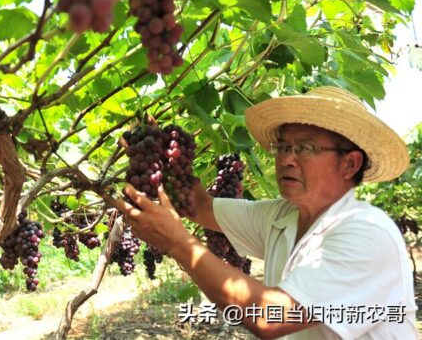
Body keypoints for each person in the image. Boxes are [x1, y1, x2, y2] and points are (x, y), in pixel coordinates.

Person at [117, 86, 417, 339]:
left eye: (306, 148)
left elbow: (271, 316)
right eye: (283, 146)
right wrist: (156, 148)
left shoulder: (366, 232)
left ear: (349, 164)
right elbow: (201, 207)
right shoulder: (282, 216)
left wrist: (179, 244)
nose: (287, 158)